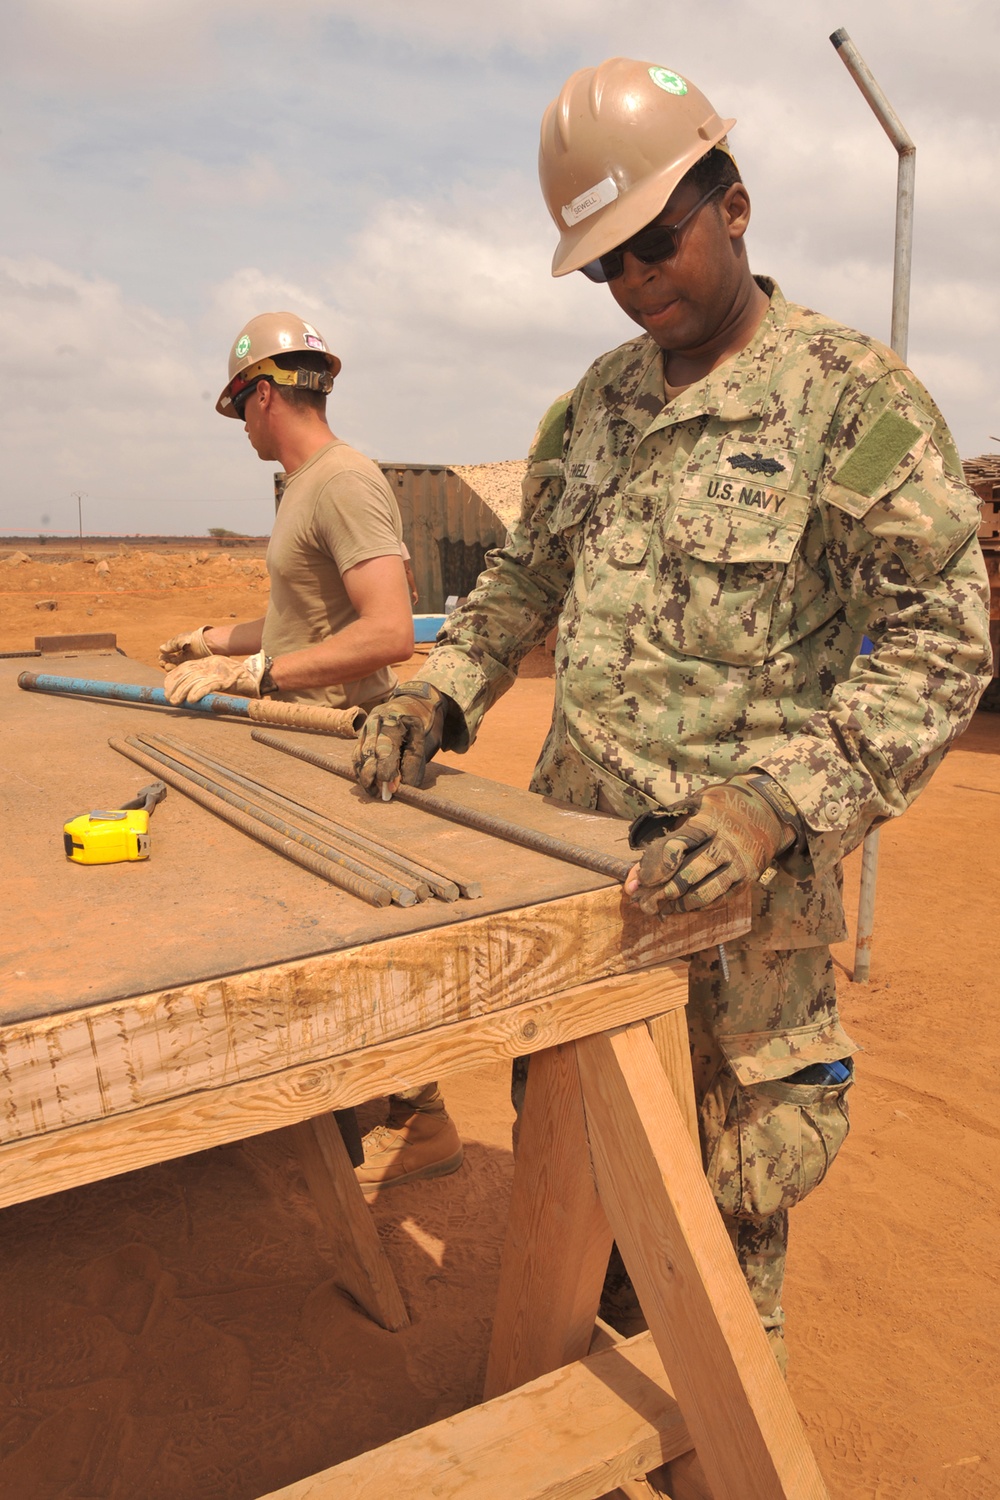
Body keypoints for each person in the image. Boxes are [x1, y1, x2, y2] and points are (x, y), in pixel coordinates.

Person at [353, 59, 992, 1368]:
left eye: (657, 244)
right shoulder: (595, 405)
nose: (642, 283)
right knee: (578, 1158)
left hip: (741, 898)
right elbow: (526, 567)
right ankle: (590, 1389)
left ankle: (710, 1435)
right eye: (609, 268)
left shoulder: (851, 402)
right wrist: (447, 687)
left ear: (735, 206)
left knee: (731, 1188)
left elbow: (942, 637)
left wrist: (771, 806)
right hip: (580, 874)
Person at [159, 310, 464, 1192]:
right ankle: (394, 1110)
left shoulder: (343, 483)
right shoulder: (301, 488)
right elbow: (306, 614)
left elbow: (389, 633)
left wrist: (255, 670)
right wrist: (215, 636)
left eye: (239, 409)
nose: (241, 429)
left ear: (262, 395)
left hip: (345, 747)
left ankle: (410, 1124)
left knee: (349, 944)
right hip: (299, 740)